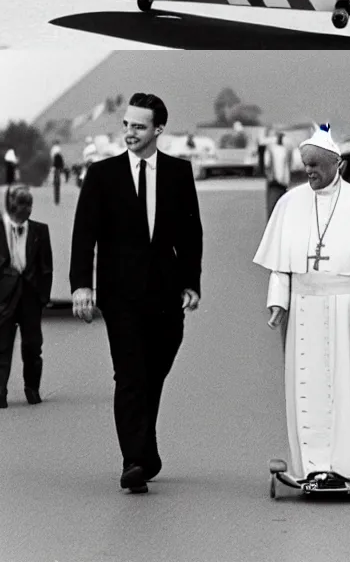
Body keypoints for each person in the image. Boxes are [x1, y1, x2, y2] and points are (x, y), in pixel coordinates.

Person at [253, 124, 350, 487]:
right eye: (306, 166)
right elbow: (281, 264)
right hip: (303, 309)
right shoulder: (289, 203)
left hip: (347, 310)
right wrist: (278, 301)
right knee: (310, 389)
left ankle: (349, 465)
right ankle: (312, 465)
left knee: (347, 389)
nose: (310, 173)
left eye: (317, 165)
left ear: (339, 166)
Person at [69, 93, 203, 492]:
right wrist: (81, 285)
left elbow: (191, 233)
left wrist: (191, 283)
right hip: (120, 294)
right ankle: (135, 461)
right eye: (126, 124)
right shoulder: (102, 174)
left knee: (154, 373)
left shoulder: (179, 173)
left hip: (165, 295)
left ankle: (145, 446)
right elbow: (84, 234)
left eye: (139, 126)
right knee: (130, 375)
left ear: (158, 130)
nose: (129, 132)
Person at [2, 185, 53, 408]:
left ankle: (32, 388)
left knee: (33, 345)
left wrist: (43, 297)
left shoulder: (40, 231)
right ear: (12, 206)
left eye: (30, 205)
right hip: (3, 297)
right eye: (24, 205)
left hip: (31, 297)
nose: (28, 210)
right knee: (1, 346)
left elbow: (46, 267)